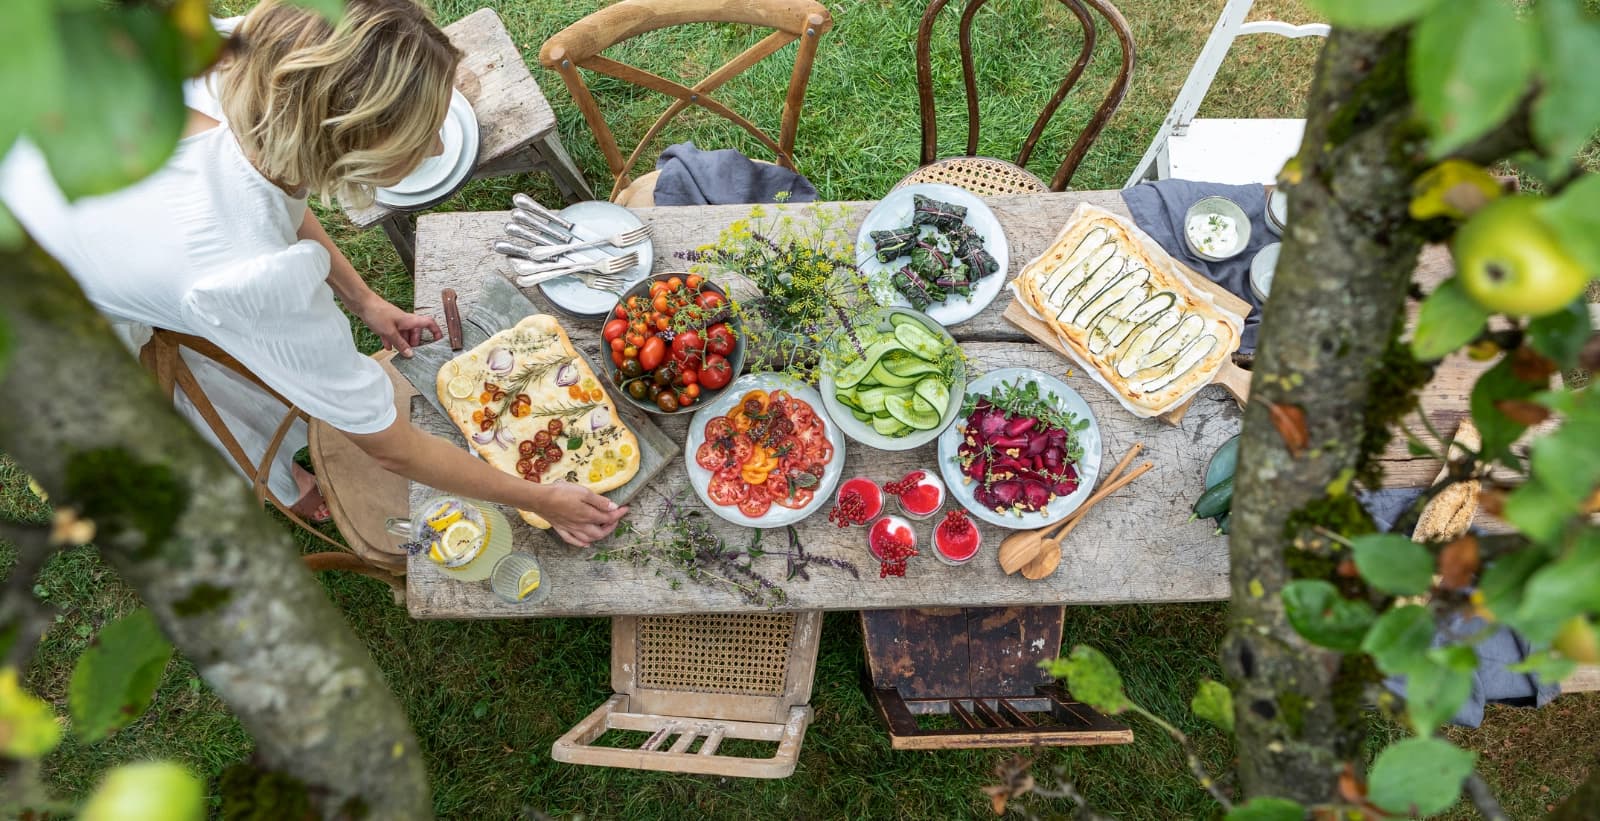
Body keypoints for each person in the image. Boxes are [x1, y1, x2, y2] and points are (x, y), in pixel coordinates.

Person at [0, 0, 627, 547]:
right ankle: (277, 478)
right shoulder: (245, 275)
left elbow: (276, 183)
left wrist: (364, 302)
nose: (436, 148)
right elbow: (388, 444)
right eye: (423, 134)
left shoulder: (258, 54)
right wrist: (539, 498)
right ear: (349, 145)